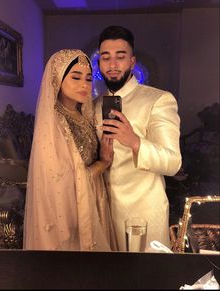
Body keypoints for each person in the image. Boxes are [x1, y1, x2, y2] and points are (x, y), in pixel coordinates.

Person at [94, 25, 182, 251]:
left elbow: (173, 163)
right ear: (99, 64)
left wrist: (134, 141)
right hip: (101, 212)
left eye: (120, 57)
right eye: (106, 58)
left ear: (132, 62)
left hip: (143, 214)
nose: (112, 65)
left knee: (144, 280)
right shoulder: (94, 105)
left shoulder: (158, 100)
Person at [23, 49, 117, 251]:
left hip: (92, 200)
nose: (84, 84)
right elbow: (62, 178)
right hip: (67, 210)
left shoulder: (83, 115)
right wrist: (103, 163)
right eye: (75, 77)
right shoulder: (54, 121)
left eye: (88, 78)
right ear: (57, 78)